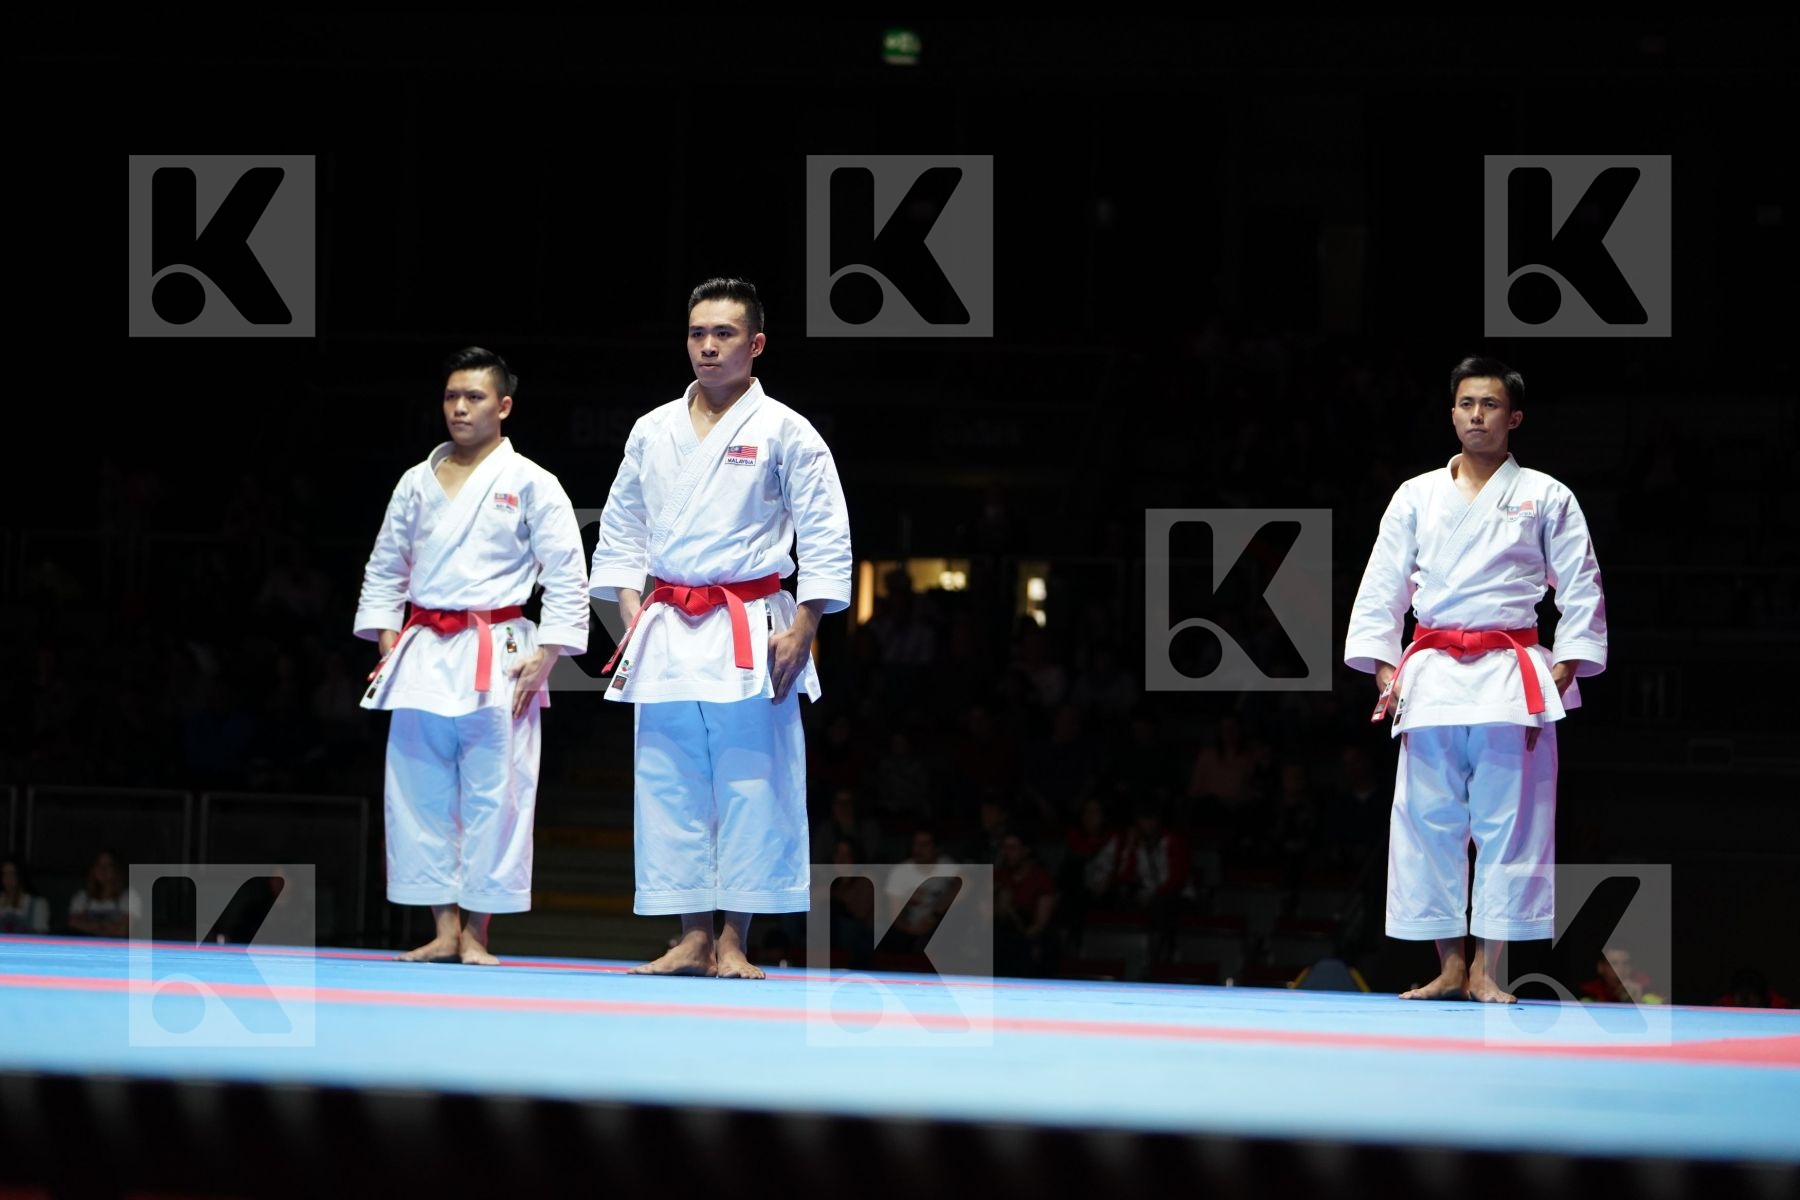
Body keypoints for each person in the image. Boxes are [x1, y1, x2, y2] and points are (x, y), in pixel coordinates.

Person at [590, 278, 853, 979]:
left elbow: (826, 537)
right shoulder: (653, 429)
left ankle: (736, 938)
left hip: (751, 626)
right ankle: (690, 936)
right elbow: (620, 529)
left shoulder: (786, 431)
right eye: (697, 333)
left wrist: (805, 626)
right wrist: (627, 607)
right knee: (670, 779)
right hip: (668, 626)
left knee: (750, 781)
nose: (707, 346)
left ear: (755, 344)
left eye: (724, 334)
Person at [1345, 356, 1607, 1003]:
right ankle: (1449, 966)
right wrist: (1384, 668)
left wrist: (1564, 665)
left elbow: (1580, 585)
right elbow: (1383, 589)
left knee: (1508, 824)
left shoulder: (1547, 495)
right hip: (1431, 673)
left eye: (1490, 406)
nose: (1477, 416)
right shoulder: (1415, 496)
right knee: (1428, 821)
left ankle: (1491, 971)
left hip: (1507, 675)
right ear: (1452, 413)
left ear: (1513, 417)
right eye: (1466, 404)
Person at [354, 347, 589, 965]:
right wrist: (385, 634)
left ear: (503, 406)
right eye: (451, 397)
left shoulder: (532, 483)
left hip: (500, 648)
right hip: (425, 648)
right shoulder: (415, 481)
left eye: (474, 397)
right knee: (420, 788)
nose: (459, 407)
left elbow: (567, 573)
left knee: (498, 790)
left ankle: (479, 932)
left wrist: (552, 652)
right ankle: (443, 929)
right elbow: (386, 567)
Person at [67, 849, 140, 938]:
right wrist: (106, 927)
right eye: (99, 865)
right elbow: (73, 924)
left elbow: (123, 931)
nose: (103, 870)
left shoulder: (129, 897)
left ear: (116, 870)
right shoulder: (82, 897)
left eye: (108, 865)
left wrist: (89, 926)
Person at [0, 858, 51, 934]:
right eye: (4, 874)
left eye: (12, 874)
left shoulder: (37, 904)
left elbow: (41, 935)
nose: (7, 879)